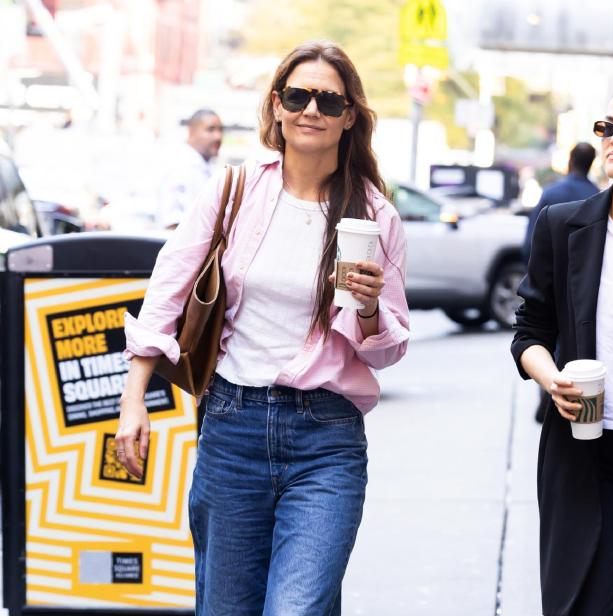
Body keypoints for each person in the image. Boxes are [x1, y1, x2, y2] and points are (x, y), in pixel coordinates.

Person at [115, 40, 409, 615]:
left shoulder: (374, 216)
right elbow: (167, 289)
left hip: (326, 440)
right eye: (298, 96)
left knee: (296, 608)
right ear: (276, 105)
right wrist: (134, 398)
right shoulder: (236, 189)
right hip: (233, 430)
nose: (311, 111)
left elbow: (387, 352)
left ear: (349, 116)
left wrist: (370, 309)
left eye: (329, 101)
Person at [511, 98, 613, 615]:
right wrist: (552, 380)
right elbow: (529, 330)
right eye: (608, 126)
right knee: (580, 600)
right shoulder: (563, 225)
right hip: (583, 449)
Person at [522, 143, 599, 423]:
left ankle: (550, 398)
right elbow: (528, 332)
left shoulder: (553, 194)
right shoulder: (592, 197)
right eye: (607, 128)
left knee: (561, 343)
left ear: (569, 161)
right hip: (583, 434)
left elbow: (528, 242)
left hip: (551, 287)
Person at [157, 108, 224, 229]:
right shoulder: (178, 164)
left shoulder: (206, 167)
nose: (218, 136)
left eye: (221, 130)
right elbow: (170, 222)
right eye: (210, 129)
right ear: (191, 131)